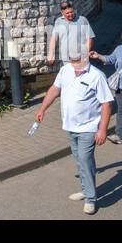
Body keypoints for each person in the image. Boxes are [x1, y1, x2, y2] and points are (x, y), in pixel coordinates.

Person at [36, 52, 113, 215]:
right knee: (80, 161)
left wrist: (102, 129)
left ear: (85, 59)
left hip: (88, 128)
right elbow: (54, 89)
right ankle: (86, 190)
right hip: (70, 126)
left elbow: (106, 104)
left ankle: (91, 199)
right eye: (71, 60)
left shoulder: (97, 76)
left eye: (76, 60)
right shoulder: (65, 70)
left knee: (85, 161)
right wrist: (42, 109)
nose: (72, 62)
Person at [46, 0, 94, 64]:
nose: (70, 14)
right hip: (66, 59)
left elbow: (90, 38)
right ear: (62, 12)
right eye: (67, 13)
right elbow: (54, 38)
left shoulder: (82, 20)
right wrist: (51, 54)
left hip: (80, 58)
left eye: (72, 12)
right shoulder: (58, 21)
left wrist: (85, 54)